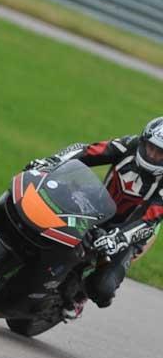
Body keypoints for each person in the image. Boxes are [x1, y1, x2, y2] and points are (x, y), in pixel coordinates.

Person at [26, 117, 163, 316]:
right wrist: (51, 162)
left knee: (103, 289)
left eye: (160, 153)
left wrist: (119, 238)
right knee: (47, 205)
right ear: (143, 140)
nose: (152, 154)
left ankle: (78, 296)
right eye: (150, 147)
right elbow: (86, 151)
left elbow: (149, 220)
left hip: (133, 231)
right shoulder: (129, 145)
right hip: (98, 204)